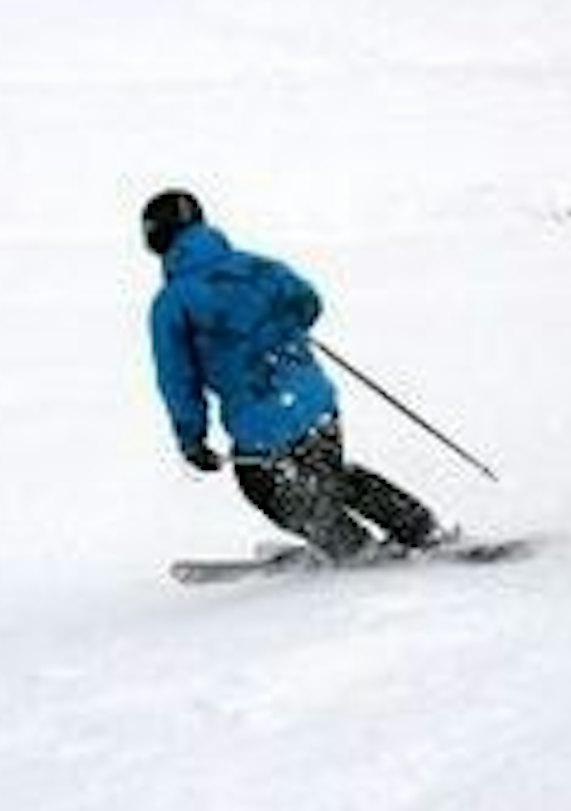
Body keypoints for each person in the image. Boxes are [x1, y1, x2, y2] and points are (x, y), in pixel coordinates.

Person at [142, 189, 447, 563]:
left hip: (262, 424)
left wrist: (192, 440)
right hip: (317, 402)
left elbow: (178, 381)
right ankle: (419, 527)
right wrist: (279, 328)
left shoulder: (172, 303)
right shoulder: (258, 265)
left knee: (266, 488)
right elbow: (309, 302)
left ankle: (353, 548)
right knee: (331, 476)